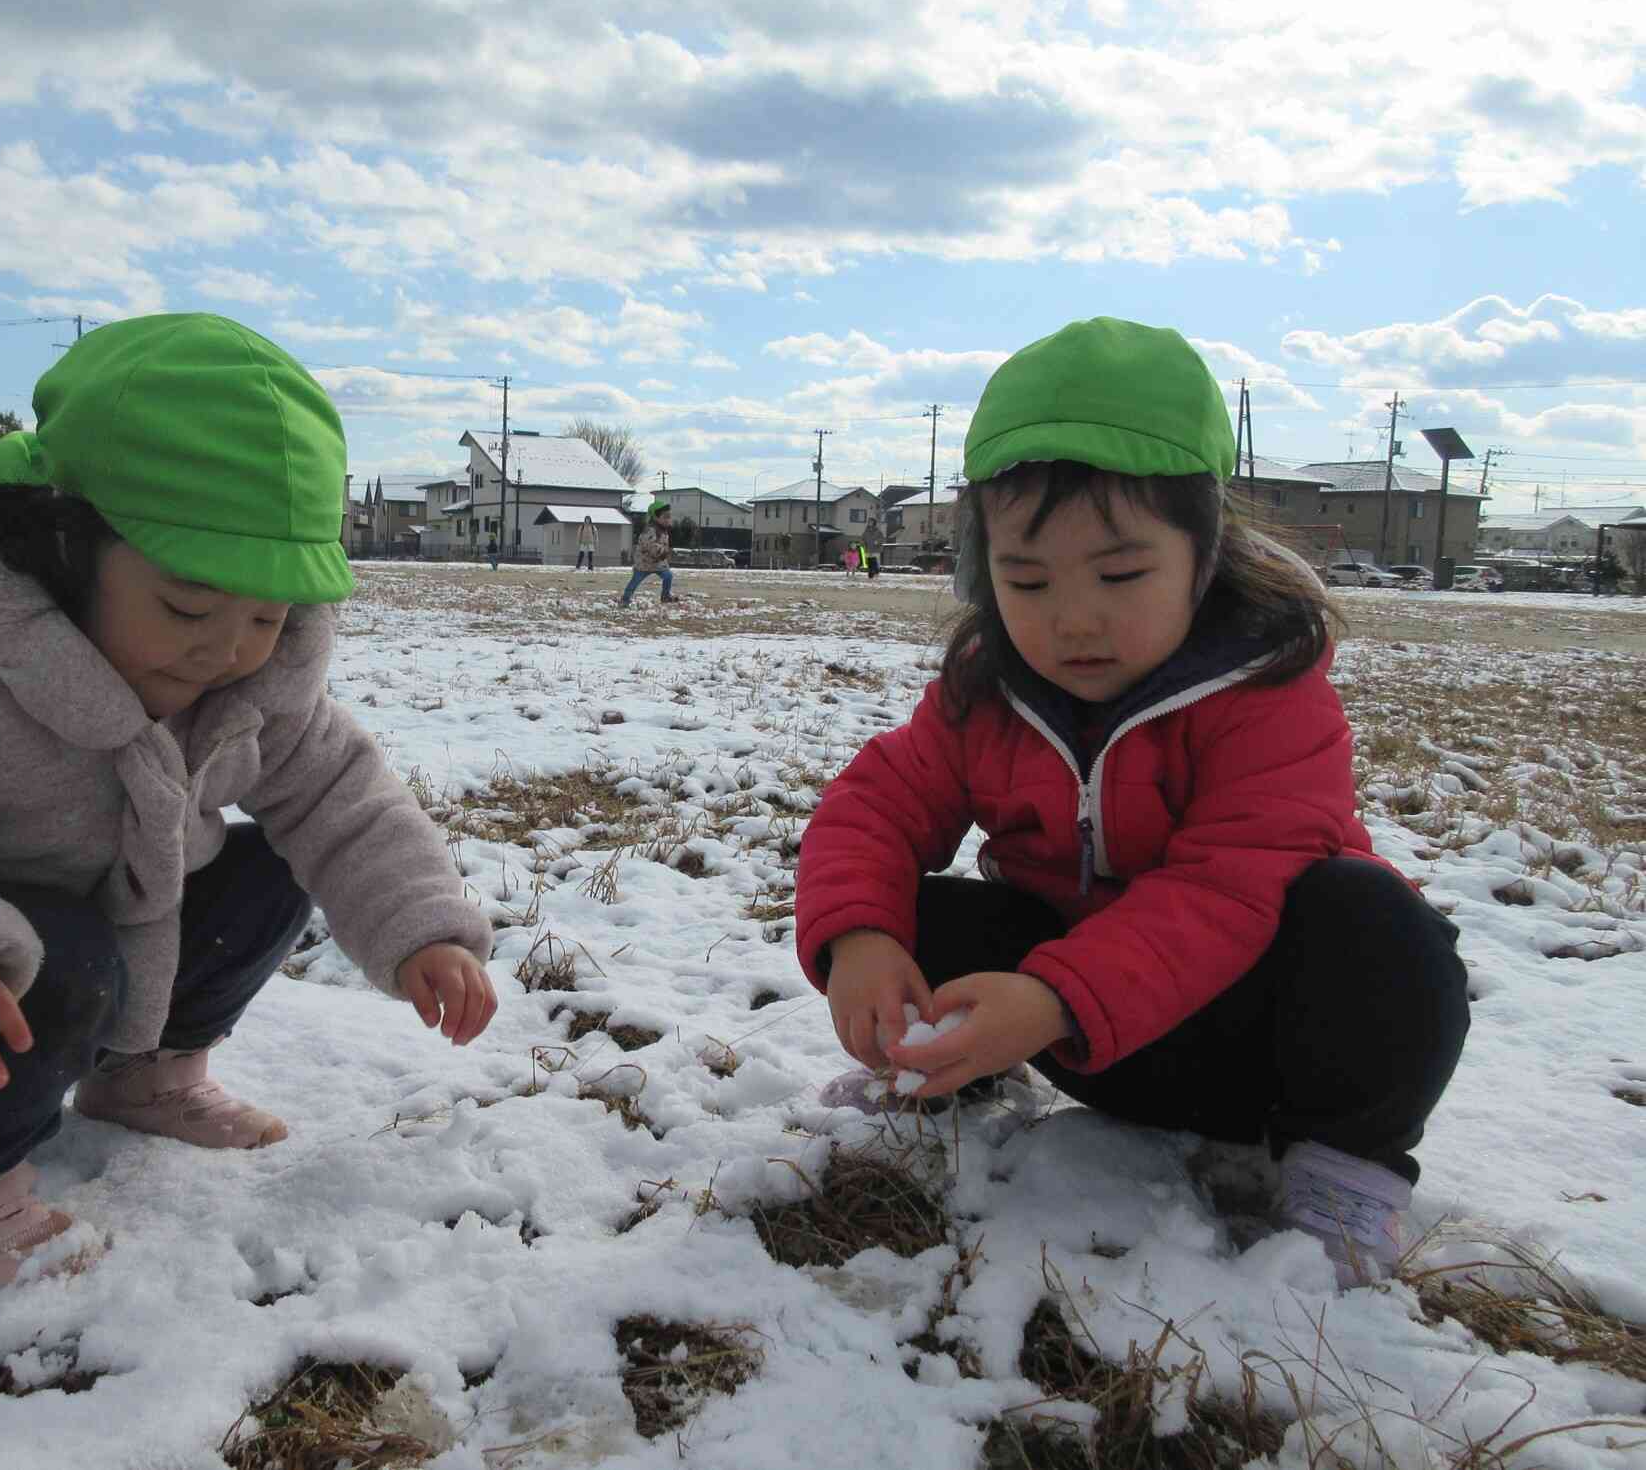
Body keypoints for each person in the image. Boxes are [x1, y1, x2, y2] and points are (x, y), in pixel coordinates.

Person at [0, 314, 499, 1289]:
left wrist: (424, 928)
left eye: (266, 615)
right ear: (70, 546)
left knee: (265, 871)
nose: (225, 649)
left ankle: (144, 1082)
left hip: (86, 975)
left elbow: (345, 798)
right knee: (55, 949)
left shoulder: (243, 694)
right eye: (187, 606)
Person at [795, 317, 1466, 1290]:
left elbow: (1229, 890)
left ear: (1205, 554)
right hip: (1079, 1039)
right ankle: (948, 1064)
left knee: (1385, 932)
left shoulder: (1271, 691)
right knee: (920, 909)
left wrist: (1055, 994)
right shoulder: (989, 690)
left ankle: (1343, 1176)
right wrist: (856, 939)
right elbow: (876, 805)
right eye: (1027, 579)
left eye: (1121, 574)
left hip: (1261, 1049)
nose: (1073, 619)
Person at [621, 500, 677, 605]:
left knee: (668, 576)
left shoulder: (663, 529)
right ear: (655, 517)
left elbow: (664, 544)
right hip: (644, 563)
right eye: (665, 517)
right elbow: (651, 546)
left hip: (658, 563)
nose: (668, 519)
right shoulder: (650, 530)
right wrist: (663, 552)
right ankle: (625, 599)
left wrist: (665, 551)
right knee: (635, 581)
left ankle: (665, 596)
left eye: (669, 516)